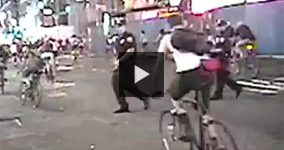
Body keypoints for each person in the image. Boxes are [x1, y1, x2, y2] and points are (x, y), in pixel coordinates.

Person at [154, 15, 215, 142]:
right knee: (203, 105)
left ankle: (186, 126)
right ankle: (213, 135)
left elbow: (159, 58)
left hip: (188, 72)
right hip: (207, 70)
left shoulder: (168, 38)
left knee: (173, 94)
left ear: (169, 25)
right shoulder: (196, 34)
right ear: (184, 22)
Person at [111, 18, 149, 113]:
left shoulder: (129, 37)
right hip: (122, 66)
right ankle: (126, 103)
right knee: (125, 85)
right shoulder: (118, 39)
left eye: (121, 26)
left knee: (117, 81)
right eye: (118, 26)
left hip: (129, 65)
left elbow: (130, 51)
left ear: (125, 26)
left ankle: (124, 104)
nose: (119, 28)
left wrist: (120, 61)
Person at [210, 19, 242, 100]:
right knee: (222, 75)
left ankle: (219, 93)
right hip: (220, 56)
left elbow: (227, 46)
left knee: (221, 74)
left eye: (219, 26)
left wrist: (221, 51)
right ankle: (235, 88)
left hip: (224, 57)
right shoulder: (221, 34)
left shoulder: (227, 33)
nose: (218, 28)